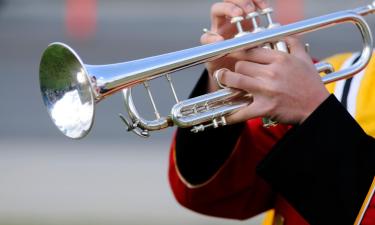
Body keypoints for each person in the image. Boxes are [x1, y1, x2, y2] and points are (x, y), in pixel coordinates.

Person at [168, 0, 375, 224]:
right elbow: (216, 195)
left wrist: (315, 112)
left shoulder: (318, 89)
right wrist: (229, 78)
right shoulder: (341, 77)